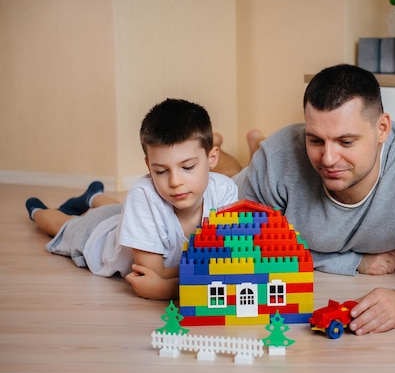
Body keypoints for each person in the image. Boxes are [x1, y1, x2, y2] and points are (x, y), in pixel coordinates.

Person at [216, 64, 395, 335]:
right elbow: (247, 251)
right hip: (252, 177)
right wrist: (350, 263)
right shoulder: (278, 160)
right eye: (315, 140)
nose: (328, 159)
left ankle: (250, 149)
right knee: (218, 184)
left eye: (346, 142)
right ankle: (230, 152)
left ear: (382, 129)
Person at [25, 98, 238, 300]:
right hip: (100, 236)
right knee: (64, 225)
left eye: (188, 167)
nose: (175, 182)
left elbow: (227, 259)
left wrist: (169, 286)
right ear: (149, 166)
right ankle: (37, 210)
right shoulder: (142, 196)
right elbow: (154, 273)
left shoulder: (225, 191)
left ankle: (93, 196)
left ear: (212, 158)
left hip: (127, 218)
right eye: (161, 171)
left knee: (119, 210)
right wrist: (182, 283)